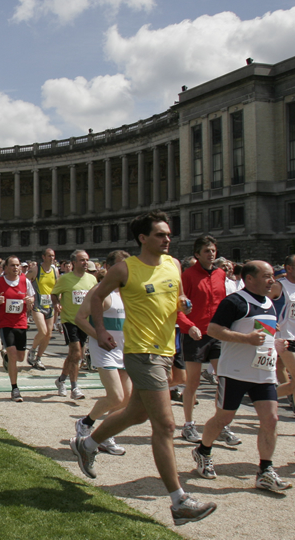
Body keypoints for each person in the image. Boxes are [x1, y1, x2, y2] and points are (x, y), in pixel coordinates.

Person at [71, 210, 216, 526]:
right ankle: (179, 502)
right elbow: (96, 298)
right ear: (143, 238)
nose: (168, 239)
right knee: (164, 425)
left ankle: (88, 443)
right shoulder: (125, 269)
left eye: (168, 234)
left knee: (136, 413)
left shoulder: (174, 265)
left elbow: (175, 300)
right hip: (141, 353)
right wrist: (102, 329)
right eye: (161, 234)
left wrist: (184, 311)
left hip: (166, 350)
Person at [192, 260, 293, 492]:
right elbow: (214, 330)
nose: (272, 281)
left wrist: (276, 343)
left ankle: (265, 470)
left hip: (263, 372)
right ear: (249, 279)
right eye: (267, 276)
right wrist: (245, 339)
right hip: (235, 372)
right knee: (224, 419)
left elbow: (264, 333)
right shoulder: (235, 301)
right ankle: (203, 450)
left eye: (272, 276)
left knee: (271, 419)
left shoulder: (270, 302)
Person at [177, 235, 240, 445]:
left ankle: (222, 425)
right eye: (206, 251)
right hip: (195, 334)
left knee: (224, 380)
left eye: (213, 250)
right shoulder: (187, 276)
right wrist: (189, 326)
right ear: (197, 254)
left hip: (217, 334)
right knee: (192, 382)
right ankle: (188, 425)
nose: (211, 254)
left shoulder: (221, 274)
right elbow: (177, 308)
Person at [73, 250, 132, 455]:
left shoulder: (128, 291)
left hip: (125, 349)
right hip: (105, 350)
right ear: (107, 268)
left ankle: (106, 435)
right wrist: (99, 336)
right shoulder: (100, 291)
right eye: (120, 265)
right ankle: (85, 423)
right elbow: (80, 318)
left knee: (126, 399)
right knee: (116, 396)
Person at [50, 249, 97, 399]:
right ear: (74, 263)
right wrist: (56, 304)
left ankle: (61, 380)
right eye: (82, 260)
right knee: (76, 353)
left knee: (76, 355)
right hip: (70, 320)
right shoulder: (65, 279)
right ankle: (75, 388)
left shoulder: (92, 279)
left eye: (87, 260)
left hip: (85, 321)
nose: (85, 263)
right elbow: (54, 293)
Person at [0, 256, 36, 402]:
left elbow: (32, 298)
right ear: (6, 268)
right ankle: (15, 388)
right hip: (5, 323)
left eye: (18, 265)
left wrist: (30, 301)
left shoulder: (25, 281)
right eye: (12, 265)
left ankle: (7, 359)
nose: (16, 268)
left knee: (20, 357)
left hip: (21, 322)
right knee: (12, 353)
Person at [269, 253, 295, 436]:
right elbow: (262, 303)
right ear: (289, 268)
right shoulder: (279, 287)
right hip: (286, 338)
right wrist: (269, 324)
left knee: (294, 384)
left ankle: (264, 399)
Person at [27, 248, 60, 370]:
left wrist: (58, 301)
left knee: (48, 334)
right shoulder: (36, 269)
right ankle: (32, 350)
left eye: (53, 256)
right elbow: (24, 282)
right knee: (43, 331)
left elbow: (57, 286)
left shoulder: (55, 270)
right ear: (43, 257)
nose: (52, 258)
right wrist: (29, 297)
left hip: (50, 305)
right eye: (49, 256)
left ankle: (39, 358)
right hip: (38, 305)